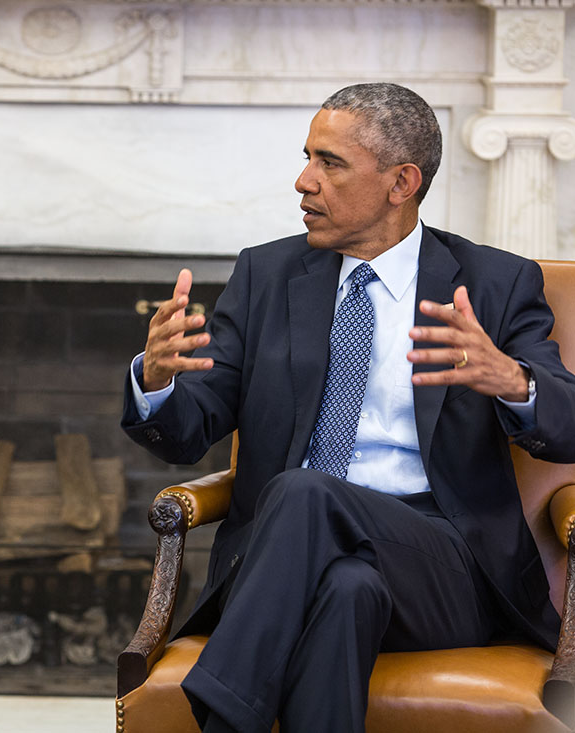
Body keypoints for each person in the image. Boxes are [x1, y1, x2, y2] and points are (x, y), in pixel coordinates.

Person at [122, 82, 575, 732]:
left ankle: (221, 715)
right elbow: (189, 428)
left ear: (401, 182)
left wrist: (512, 380)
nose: (304, 181)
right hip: (292, 554)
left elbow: (568, 424)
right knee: (345, 590)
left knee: (307, 492)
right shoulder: (266, 276)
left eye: (330, 162)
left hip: (444, 561)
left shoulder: (495, 285)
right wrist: (157, 379)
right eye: (308, 156)